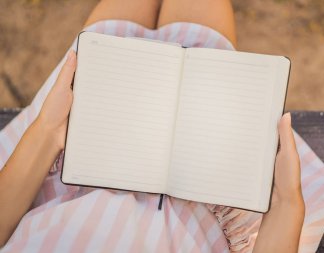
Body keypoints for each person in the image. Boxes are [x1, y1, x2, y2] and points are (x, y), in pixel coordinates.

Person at [0, 0, 305, 252]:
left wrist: (49, 130)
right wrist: (286, 201)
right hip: (206, 184)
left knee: (114, 26)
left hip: (80, 148)